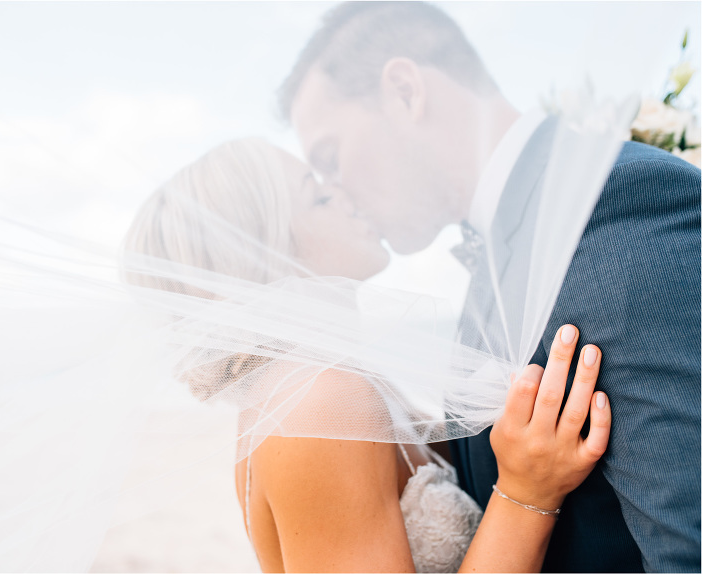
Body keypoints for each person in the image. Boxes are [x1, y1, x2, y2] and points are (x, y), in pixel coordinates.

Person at [279, 2, 701, 572]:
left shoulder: (622, 210)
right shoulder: (498, 251)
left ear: (405, 90)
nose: (339, 192)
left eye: (331, 158)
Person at [123, 138, 612, 572]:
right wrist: (528, 494)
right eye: (318, 196)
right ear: (266, 256)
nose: (345, 195)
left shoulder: (330, 380)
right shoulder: (315, 400)